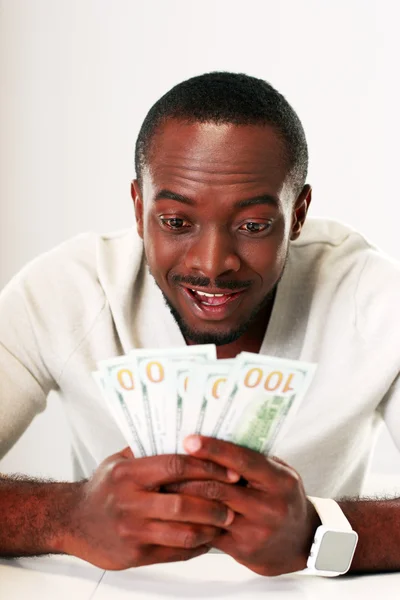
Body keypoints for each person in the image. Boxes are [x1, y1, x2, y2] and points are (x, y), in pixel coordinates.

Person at [1, 71, 400, 577]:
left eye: (253, 226)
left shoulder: (375, 298)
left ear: (297, 214)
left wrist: (317, 532)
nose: (213, 264)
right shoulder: (67, 291)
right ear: (139, 206)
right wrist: (66, 519)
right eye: (175, 222)